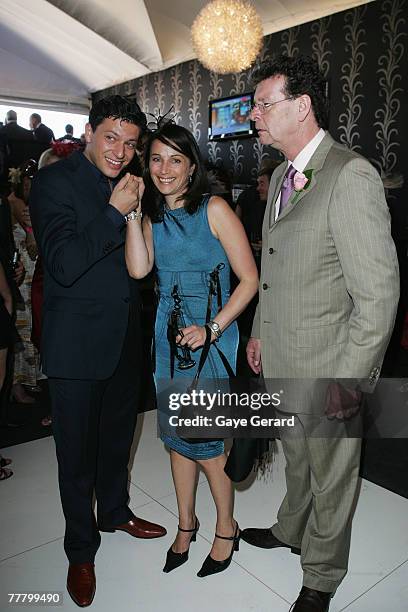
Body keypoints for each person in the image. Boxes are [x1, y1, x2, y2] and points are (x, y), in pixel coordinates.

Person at [241, 55, 399, 612]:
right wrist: (260, 330)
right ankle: (289, 528)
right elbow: (274, 269)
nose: (253, 115)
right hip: (282, 353)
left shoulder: (351, 175)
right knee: (295, 453)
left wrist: (350, 381)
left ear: (301, 106)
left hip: (331, 363)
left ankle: (323, 574)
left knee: (333, 472)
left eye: (264, 104)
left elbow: (378, 296)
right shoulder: (283, 174)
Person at [29, 95, 167, 608]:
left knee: (116, 442)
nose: (120, 151)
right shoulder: (54, 182)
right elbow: (63, 264)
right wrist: (114, 211)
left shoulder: (129, 185)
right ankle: (80, 550)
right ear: (89, 132)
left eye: (131, 144)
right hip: (75, 347)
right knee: (76, 457)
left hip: (122, 339)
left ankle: (115, 512)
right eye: (111, 137)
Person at [125, 123, 258, 577]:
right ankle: (186, 524)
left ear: (191, 166)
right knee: (176, 440)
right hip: (168, 334)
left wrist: (213, 328)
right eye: (156, 159)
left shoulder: (214, 209)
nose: (164, 169)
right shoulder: (152, 216)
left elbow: (250, 280)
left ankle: (227, 527)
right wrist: (130, 213)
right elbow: (140, 270)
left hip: (212, 335)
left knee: (206, 442)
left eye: (175, 160)